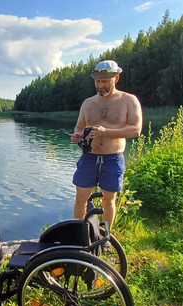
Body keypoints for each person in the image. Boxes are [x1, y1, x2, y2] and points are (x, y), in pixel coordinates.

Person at [70, 60, 142, 229]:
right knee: (81, 197)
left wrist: (106, 132)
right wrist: (78, 136)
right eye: (98, 81)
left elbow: (136, 130)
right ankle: (78, 233)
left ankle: (106, 236)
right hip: (89, 157)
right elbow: (80, 126)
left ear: (115, 79)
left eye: (104, 81)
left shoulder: (129, 100)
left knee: (108, 199)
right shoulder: (88, 103)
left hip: (112, 159)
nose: (100, 85)